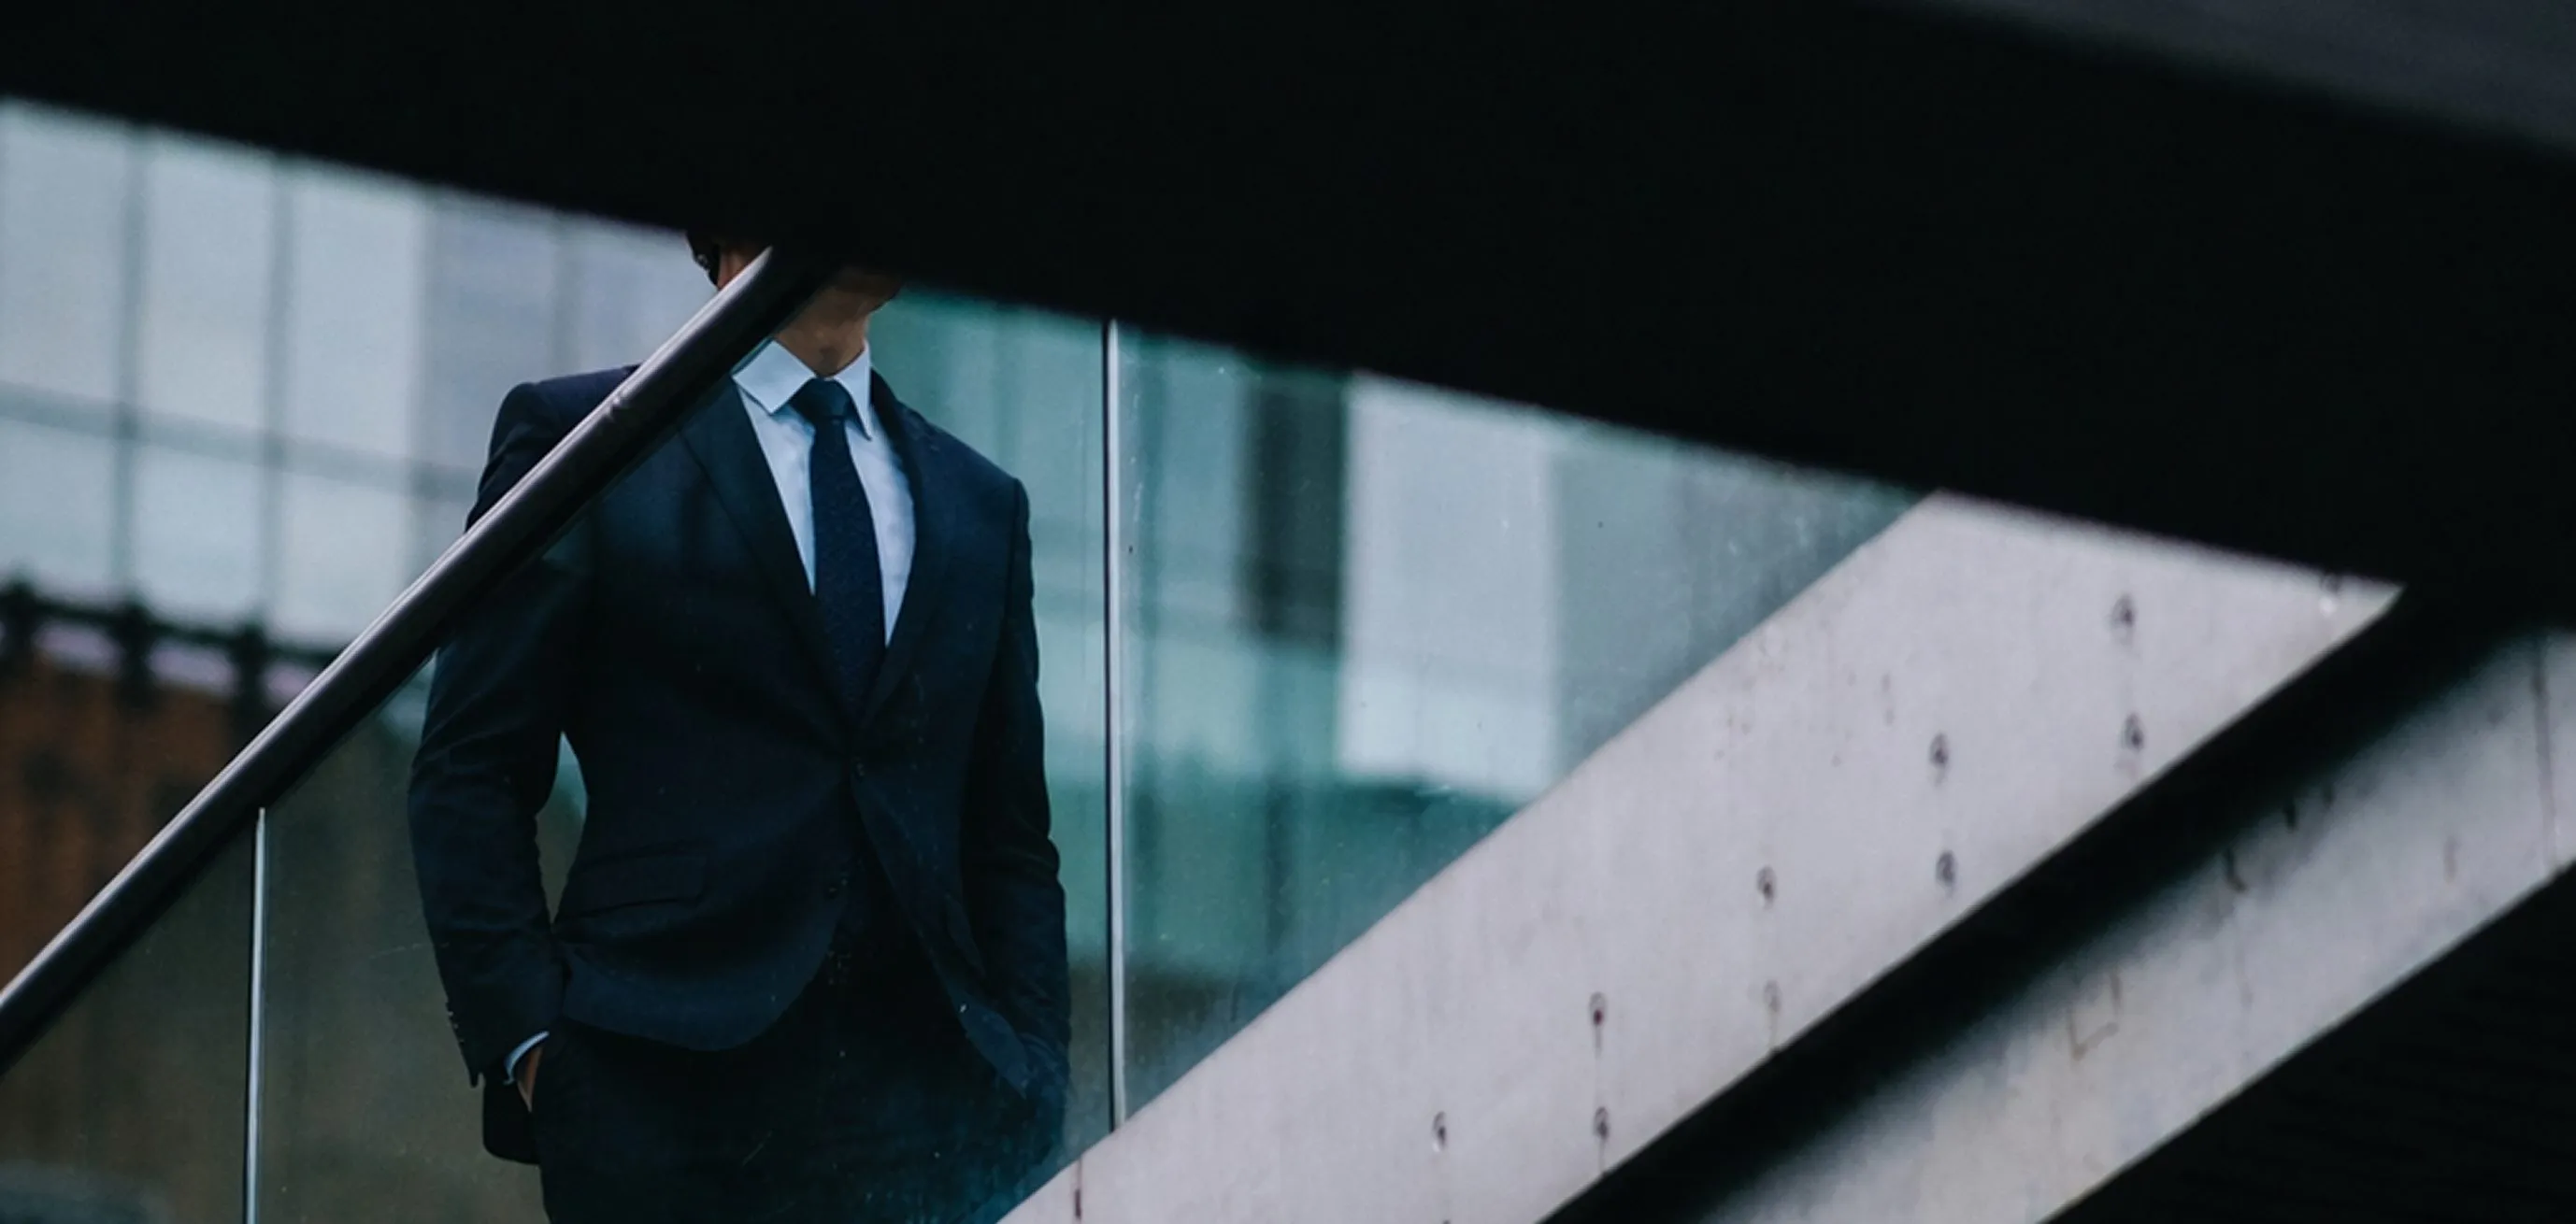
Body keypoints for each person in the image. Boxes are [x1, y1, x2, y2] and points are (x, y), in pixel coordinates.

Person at [407, 236, 1067, 1223]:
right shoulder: (583, 439)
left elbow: (1007, 835)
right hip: (659, 1082)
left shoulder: (982, 505)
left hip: (927, 1107)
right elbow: (471, 767)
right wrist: (536, 1048)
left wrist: (1037, 1068)